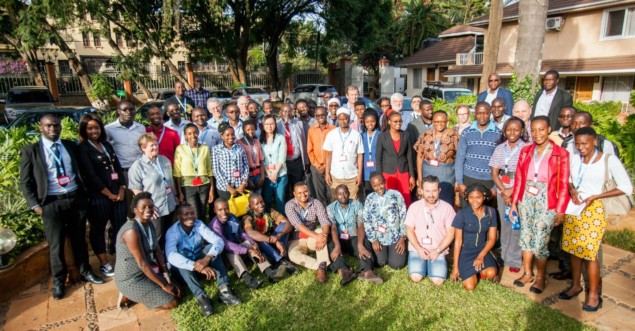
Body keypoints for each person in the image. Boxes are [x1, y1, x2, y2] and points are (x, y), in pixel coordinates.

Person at [20, 114, 105, 300]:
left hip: (75, 199)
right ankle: (59, 280)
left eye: (56, 126)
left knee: (80, 239)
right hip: (51, 203)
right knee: (56, 244)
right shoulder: (31, 151)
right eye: (49, 126)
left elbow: (81, 170)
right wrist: (35, 205)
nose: (53, 129)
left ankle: (85, 270)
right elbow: (25, 183)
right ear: (41, 127)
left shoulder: (70, 146)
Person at [559, 127, 632, 311]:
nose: (581, 147)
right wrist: (572, 189)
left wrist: (596, 197)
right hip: (575, 208)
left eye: (584, 143)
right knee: (574, 251)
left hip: (594, 210)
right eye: (577, 143)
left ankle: (593, 295)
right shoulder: (576, 158)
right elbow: (567, 178)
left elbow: (626, 187)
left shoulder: (608, 160)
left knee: (590, 254)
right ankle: (576, 286)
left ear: (595, 142)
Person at [510, 116, 570, 294]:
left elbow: (564, 183)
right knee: (526, 235)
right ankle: (527, 273)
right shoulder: (526, 151)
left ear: (549, 129)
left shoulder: (560, 153)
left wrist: (560, 209)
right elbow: (519, 178)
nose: (537, 134)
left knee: (540, 239)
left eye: (541, 129)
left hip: (547, 198)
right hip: (526, 196)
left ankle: (540, 277)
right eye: (533, 130)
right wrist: (514, 202)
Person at [165, 203, 241, 317]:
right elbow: (171, 256)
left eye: (192, 213)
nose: (190, 216)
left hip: (200, 260)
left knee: (211, 248)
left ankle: (225, 290)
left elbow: (218, 241)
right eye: (185, 214)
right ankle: (202, 298)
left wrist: (206, 259)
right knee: (180, 258)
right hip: (185, 271)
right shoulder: (172, 232)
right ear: (178, 217)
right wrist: (196, 266)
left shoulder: (198, 224)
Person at [77, 114, 126, 276]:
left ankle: (121, 258)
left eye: (96, 127)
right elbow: (91, 176)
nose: (94, 131)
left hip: (117, 194)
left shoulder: (105, 144)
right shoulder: (83, 148)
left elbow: (117, 167)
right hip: (99, 197)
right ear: (84, 130)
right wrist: (108, 194)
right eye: (89, 128)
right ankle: (104, 263)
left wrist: (121, 189)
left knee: (120, 226)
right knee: (98, 229)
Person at [115, 193, 178, 310]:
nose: (148, 210)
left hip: (147, 269)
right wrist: (164, 285)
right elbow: (142, 264)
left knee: (178, 291)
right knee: (172, 303)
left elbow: (158, 251)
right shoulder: (131, 231)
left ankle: (149, 290)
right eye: (143, 207)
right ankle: (127, 293)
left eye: (150, 206)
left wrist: (167, 276)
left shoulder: (148, 223)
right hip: (132, 277)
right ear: (135, 210)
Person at [285, 182, 357, 285]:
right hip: (297, 239)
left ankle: (322, 267)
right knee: (293, 255)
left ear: (309, 191)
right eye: (299, 193)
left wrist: (323, 236)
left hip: (312, 239)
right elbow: (298, 226)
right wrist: (319, 237)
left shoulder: (316, 203)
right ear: (294, 194)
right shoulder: (289, 205)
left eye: (305, 191)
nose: (303, 195)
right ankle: (319, 266)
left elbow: (325, 222)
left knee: (320, 232)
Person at [210, 199, 287, 288]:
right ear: (214, 210)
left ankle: (270, 272)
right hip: (224, 254)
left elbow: (241, 233)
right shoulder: (215, 226)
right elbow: (226, 244)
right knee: (231, 252)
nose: (224, 212)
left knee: (248, 244)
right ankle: (249, 280)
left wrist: (253, 243)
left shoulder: (232, 217)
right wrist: (247, 250)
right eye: (220, 210)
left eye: (226, 208)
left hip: (238, 245)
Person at [489, 116, 528, 273]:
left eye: (516, 129)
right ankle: (503, 256)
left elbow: (526, 174)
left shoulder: (526, 148)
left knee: (516, 225)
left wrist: (512, 191)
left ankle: (514, 260)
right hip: (502, 191)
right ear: (504, 131)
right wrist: (504, 192)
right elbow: (494, 173)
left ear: (522, 131)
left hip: (519, 191)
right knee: (504, 225)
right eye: (509, 129)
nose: (512, 132)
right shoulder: (500, 148)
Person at [128, 133, 177, 246]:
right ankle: (156, 260)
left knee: (169, 235)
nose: (155, 147)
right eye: (152, 146)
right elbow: (136, 191)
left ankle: (168, 259)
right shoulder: (137, 167)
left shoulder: (165, 160)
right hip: (154, 209)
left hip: (169, 204)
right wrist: (148, 207)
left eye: (156, 144)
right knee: (156, 236)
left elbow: (170, 181)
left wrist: (175, 196)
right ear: (143, 148)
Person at [327, 185, 383, 283]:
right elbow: (333, 228)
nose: (343, 196)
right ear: (335, 195)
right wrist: (337, 246)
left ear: (348, 193)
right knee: (330, 243)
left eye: (345, 193)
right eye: (339, 194)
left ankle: (367, 272)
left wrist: (360, 244)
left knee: (364, 242)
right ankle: (345, 271)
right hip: (339, 238)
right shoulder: (330, 208)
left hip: (353, 236)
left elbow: (361, 225)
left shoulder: (357, 205)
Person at [406, 176, 456, 285]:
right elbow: (409, 230)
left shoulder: (448, 208)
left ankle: (431, 264)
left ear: (439, 190)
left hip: (438, 249)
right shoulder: (414, 207)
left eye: (434, 191)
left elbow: (451, 233)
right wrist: (419, 249)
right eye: (427, 191)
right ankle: (423, 263)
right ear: (421, 191)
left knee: (438, 281)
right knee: (416, 277)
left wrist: (438, 250)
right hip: (417, 249)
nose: (431, 195)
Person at [450, 184, 499, 290]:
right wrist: (455, 267)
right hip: (465, 251)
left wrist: (481, 255)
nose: (474, 201)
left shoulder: (491, 212)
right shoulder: (462, 214)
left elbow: (492, 239)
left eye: (478, 197)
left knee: (491, 273)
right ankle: (473, 271)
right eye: (471, 197)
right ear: (467, 198)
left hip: (482, 249)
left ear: (484, 197)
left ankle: (481, 270)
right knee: (470, 286)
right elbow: (457, 242)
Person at [455, 102, 501, 207]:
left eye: (485, 113)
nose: (482, 116)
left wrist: (495, 187)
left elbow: (501, 162)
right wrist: (460, 182)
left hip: (489, 181)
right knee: (467, 213)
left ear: (490, 113)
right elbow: (460, 159)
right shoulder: (466, 132)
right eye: (479, 113)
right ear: (475, 113)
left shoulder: (499, 134)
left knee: (487, 214)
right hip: (468, 179)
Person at [242, 194, 297, 275]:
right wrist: (272, 240)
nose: (261, 205)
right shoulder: (247, 217)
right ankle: (281, 260)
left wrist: (278, 236)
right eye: (257, 204)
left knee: (283, 225)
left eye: (262, 202)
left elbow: (288, 223)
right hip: (262, 243)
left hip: (274, 238)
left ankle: (282, 253)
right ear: (251, 206)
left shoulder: (269, 211)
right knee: (260, 239)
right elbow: (250, 233)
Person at [363, 173, 407, 270]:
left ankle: (395, 253)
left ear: (385, 182)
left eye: (381, 184)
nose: (379, 187)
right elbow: (367, 220)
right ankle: (384, 255)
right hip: (378, 238)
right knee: (380, 262)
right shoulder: (369, 198)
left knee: (397, 264)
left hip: (395, 236)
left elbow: (404, 216)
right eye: (375, 186)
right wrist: (373, 240)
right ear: (372, 186)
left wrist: (402, 237)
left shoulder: (396, 195)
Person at [414, 110, 458, 206]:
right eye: (436, 121)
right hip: (428, 175)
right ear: (433, 122)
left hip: (446, 176)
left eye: (442, 121)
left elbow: (459, 158)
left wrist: (458, 180)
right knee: (428, 204)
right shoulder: (425, 135)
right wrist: (420, 178)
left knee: (445, 204)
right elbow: (419, 156)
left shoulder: (454, 135)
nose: (439, 124)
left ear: (447, 121)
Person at [173, 123, 214, 221]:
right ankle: (195, 233)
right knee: (193, 212)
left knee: (204, 211)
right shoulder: (180, 149)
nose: (193, 136)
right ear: (185, 135)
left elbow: (209, 170)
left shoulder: (204, 148)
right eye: (189, 133)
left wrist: (212, 189)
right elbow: (177, 172)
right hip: (188, 186)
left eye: (195, 133)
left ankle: (203, 233)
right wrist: (179, 192)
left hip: (204, 184)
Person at [376, 110, 415, 207]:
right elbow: (378, 157)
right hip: (388, 173)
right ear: (389, 122)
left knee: (405, 197)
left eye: (400, 121)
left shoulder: (405, 135)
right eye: (395, 121)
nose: (398, 123)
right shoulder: (382, 136)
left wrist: (412, 176)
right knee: (389, 198)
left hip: (403, 171)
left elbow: (409, 155)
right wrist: (380, 176)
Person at [323, 107, 364, 200]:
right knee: (337, 201)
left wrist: (359, 175)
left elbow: (360, 156)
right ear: (337, 120)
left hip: (352, 175)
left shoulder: (356, 134)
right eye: (340, 119)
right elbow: (328, 155)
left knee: (353, 201)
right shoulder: (331, 134)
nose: (343, 121)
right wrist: (327, 173)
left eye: (345, 119)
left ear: (349, 119)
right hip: (336, 175)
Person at [105, 101, 145, 181]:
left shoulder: (141, 128)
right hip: (122, 171)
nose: (128, 112)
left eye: (131, 109)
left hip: (140, 169)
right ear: (118, 111)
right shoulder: (109, 129)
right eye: (125, 110)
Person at [211, 122, 249, 200]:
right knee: (228, 210)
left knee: (241, 209)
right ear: (222, 136)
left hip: (240, 185)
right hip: (225, 188)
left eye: (232, 134)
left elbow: (246, 166)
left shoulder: (239, 147)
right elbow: (216, 170)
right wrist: (228, 186)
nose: (231, 137)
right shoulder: (216, 149)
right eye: (227, 135)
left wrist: (243, 183)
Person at [277, 103, 308, 198]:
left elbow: (303, 143)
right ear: (280, 113)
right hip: (284, 162)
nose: (287, 113)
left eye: (289, 111)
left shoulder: (298, 123)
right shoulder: (277, 125)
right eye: (285, 111)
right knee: (285, 188)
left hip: (296, 161)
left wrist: (306, 161)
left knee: (297, 185)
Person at [260, 115, 288, 214]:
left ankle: (283, 223)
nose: (269, 126)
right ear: (263, 125)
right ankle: (268, 222)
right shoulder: (260, 140)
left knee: (280, 200)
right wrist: (269, 173)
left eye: (272, 123)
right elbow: (261, 159)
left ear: (275, 125)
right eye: (266, 124)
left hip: (280, 174)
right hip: (268, 176)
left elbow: (282, 158)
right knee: (266, 200)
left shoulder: (281, 138)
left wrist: (275, 173)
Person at [307, 106, 336, 203]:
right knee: (320, 193)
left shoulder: (334, 129)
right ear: (315, 116)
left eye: (322, 114)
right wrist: (317, 165)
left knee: (331, 192)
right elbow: (310, 150)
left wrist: (327, 166)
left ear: (327, 114)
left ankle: (332, 214)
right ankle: (322, 215)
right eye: (317, 115)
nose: (320, 117)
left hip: (331, 167)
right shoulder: (312, 130)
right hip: (317, 167)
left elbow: (335, 150)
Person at [235, 119, 265, 194]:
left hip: (257, 174)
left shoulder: (256, 142)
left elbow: (261, 160)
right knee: (249, 199)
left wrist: (262, 177)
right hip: (247, 176)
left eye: (253, 129)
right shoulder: (239, 143)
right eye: (248, 130)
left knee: (258, 195)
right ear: (244, 130)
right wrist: (247, 180)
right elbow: (239, 164)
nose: (251, 132)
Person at [361, 109, 380, 199]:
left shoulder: (381, 135)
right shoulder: (361, 136)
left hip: (377, 169)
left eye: (373, 121)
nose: (370, 124)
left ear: (376, 121)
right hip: (366, 171)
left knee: (379, 193)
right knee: (369, 194)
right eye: (367, 122)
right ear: (364, 122)